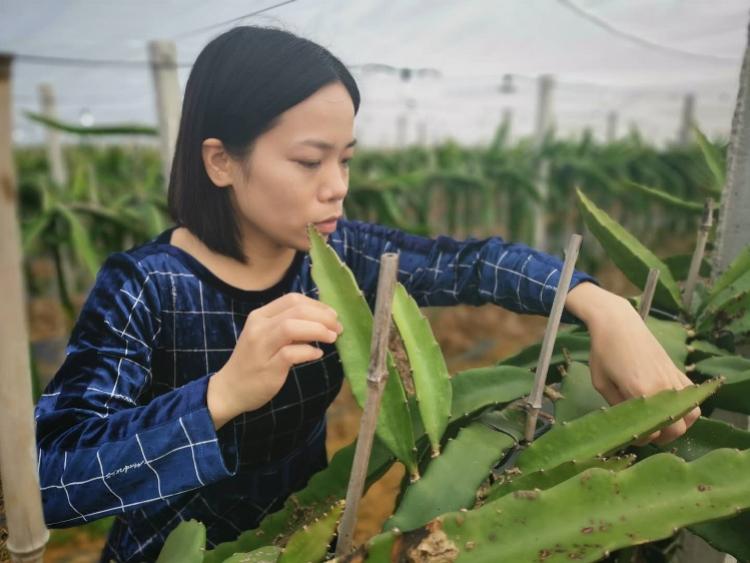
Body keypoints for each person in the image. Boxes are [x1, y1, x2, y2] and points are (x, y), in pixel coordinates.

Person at [34, 25, 700, 563]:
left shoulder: (338, 256)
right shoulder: (146, 285)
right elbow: (49, 476)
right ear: (221, 161)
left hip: (308, 543)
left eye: (345, 159)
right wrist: (221, 395)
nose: (337, 186)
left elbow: (470, 264)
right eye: (308, 160)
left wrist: (599, 303)